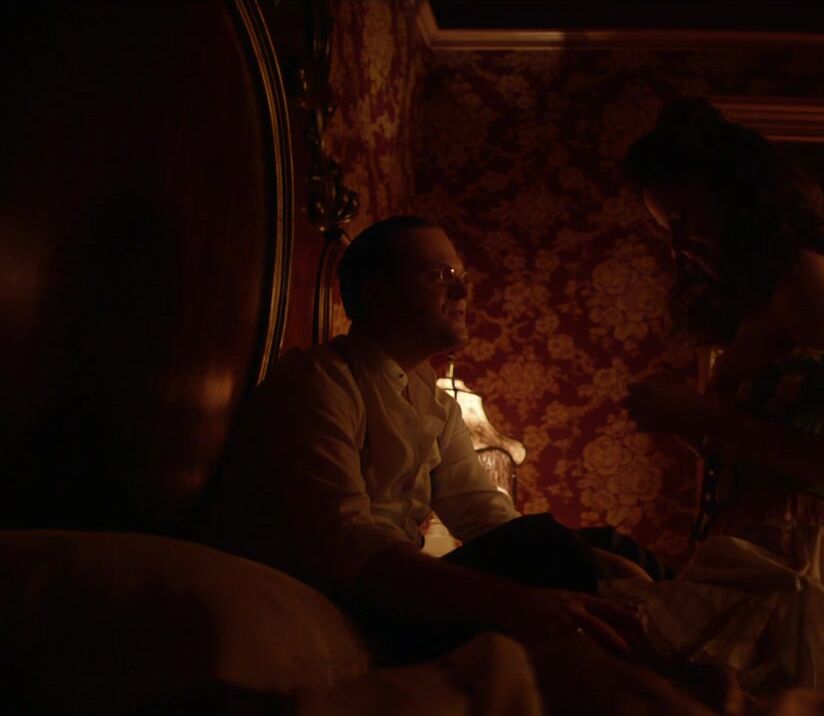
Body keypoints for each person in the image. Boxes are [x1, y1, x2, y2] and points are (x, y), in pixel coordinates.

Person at [605, 99, 824, 701]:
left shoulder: (809, 277)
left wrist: (697, 413)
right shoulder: (761, 301)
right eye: (667, 228)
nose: (679, 245)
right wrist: (692, 426)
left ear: (738, 197)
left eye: (685, 218)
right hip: (763, 548)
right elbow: (773, 450)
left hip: (812, 564)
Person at [196, 216, 656, 664]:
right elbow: (343, 540)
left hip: (394, 587)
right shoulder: (318, 382)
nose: (462, 293)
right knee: (544, 550)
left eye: (461, 278)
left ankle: (672, 631)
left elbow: (484, 515)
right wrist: (514, 600)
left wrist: (590, 557)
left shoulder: (434, 403)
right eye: (439, 276)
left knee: (603, 546)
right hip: (359, 592)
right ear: (377, 293)